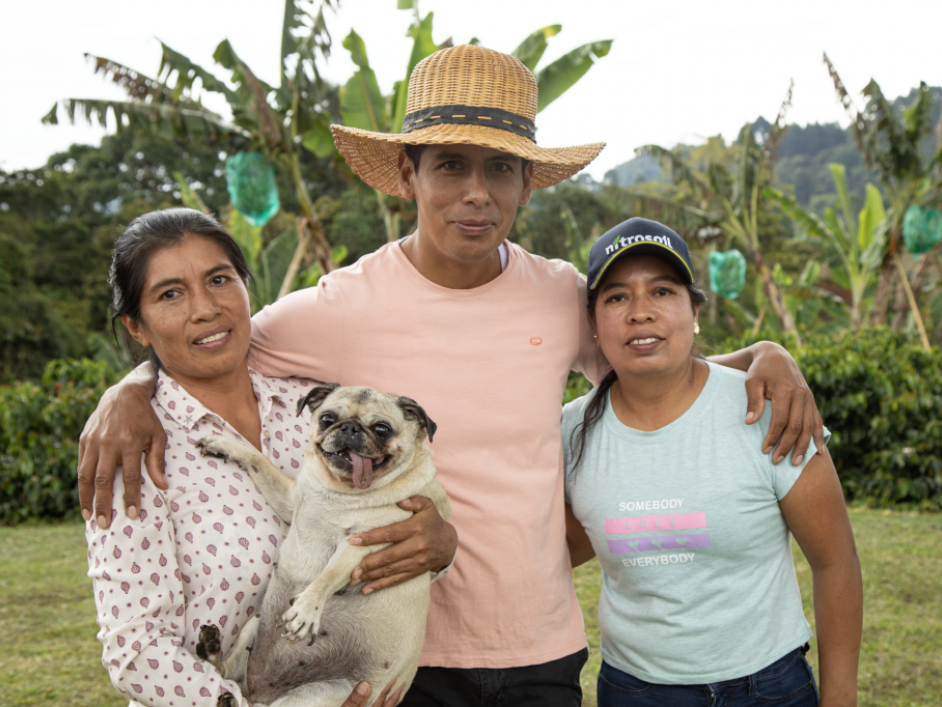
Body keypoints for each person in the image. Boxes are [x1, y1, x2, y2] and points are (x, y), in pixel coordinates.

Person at [79, 45, 825, 706]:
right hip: (403, 654)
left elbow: (658, 366)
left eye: (500, 168)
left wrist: (764, 354)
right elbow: (213, 339)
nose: (477, 192)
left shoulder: (559, 295)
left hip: (541, 648)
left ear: (528, 184)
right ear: (408, 175)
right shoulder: (338, 306)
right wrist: (129, 390)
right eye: (449, 166)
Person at [86, 208, 457, 707]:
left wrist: (438, 549)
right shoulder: (132, 447)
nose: (205, 308)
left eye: (219, 280)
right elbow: (135, 651)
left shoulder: (313, 405)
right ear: (137, 326)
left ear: (246, 288)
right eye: (170, 294)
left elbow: (390, 536)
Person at [562, 217, 863, 707]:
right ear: (593, 323)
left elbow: (836, 563)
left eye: (662, 291)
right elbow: (552, 548)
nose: (641, 312)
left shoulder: (769, 410)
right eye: (616, 297)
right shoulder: (571, 433)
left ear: (694, 310)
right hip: (636, 691)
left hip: (770, 689)